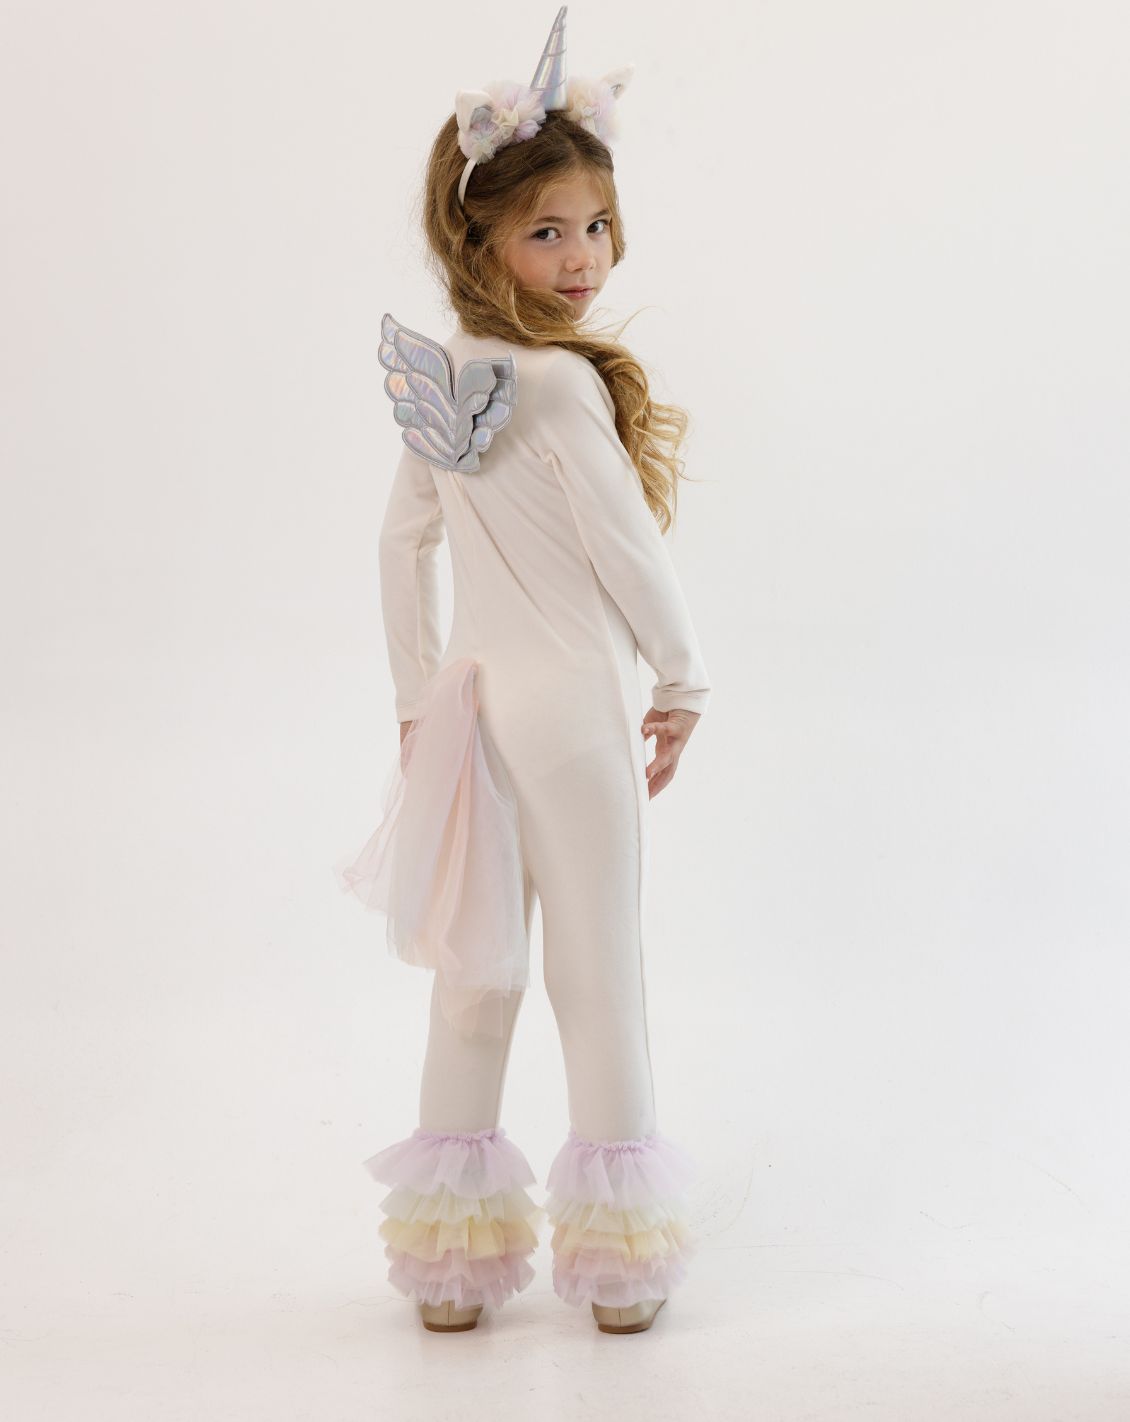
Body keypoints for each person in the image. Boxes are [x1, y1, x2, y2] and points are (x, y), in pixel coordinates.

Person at [339, 6, 711, 1336]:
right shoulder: (554, 386)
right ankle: (620, 1268)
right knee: (596, 973)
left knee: (474, 971)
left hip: (470, 703)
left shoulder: (443, 379)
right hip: (571, 712)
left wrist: (412, 700)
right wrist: (680, 677)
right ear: (481, 237)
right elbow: (625, 550)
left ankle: (451, 1270)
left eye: (596, 226)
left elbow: (401, 546)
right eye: (548, 231)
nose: (582, 256)